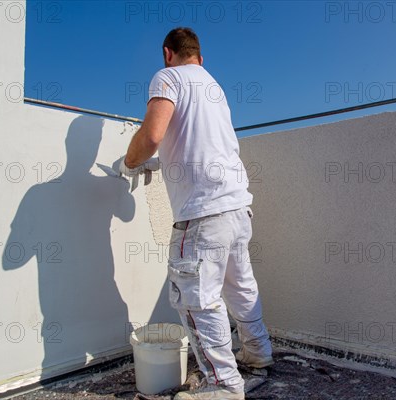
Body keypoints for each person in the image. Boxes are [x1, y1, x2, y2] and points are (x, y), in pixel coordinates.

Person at [114, 27, 273, 400]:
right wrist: (156, 162)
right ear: (199, 58)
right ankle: (258, 355)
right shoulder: (213, 88)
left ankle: (224, 385)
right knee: (240, 286)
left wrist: (130, 162)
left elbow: (152, 134)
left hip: (203, 213)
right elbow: (193, 144)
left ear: (168, 53)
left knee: (197, 298)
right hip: (237, 206)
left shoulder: (167, 77)